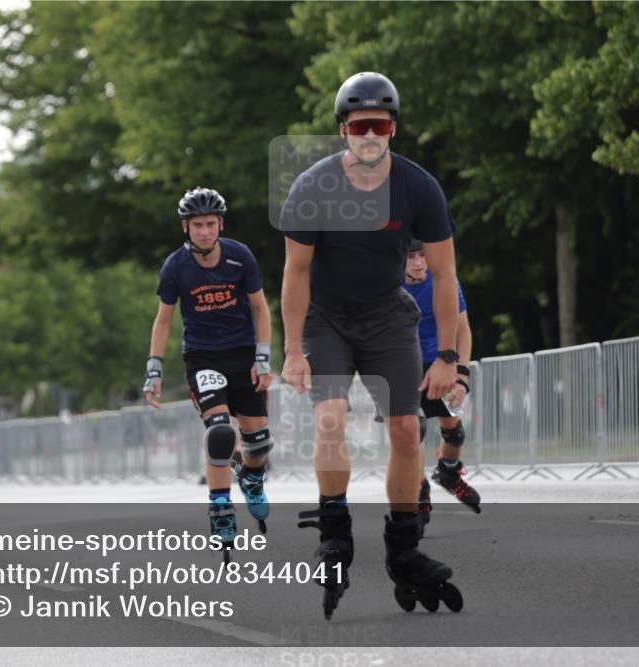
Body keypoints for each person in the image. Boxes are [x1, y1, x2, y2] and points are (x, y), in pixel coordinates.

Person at [281, 72, 463, 618]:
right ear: (343, 130)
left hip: (387, 316)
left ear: (393, 130)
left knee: (408, 429)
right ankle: (335, 531)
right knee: (332, 416)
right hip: (326, 319)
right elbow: (294, 274)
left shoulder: (418, 187)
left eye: (379, 125)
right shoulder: (312, 187)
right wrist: (292, 349)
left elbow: (445, 272)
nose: (370, 135)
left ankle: (403, 550)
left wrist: (448, 355)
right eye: (360, 125)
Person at [144, 187, 275, 558]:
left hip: (243, 356)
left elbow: (261, 309)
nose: (204, 231)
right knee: (219, 432)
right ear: (186, 228)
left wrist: (262, 359)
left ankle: (250, 476)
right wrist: (154, 369)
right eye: (197, 225)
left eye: (210, 224)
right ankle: (220, 506)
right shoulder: (175, 267)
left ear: (221, 224)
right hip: (202, 358)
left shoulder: (239, 257)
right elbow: (164, 319)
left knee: (259, 443)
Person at [404, 238, 481, 516]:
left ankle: (448, 473)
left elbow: (464, 330)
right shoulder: (388, 285)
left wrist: (461, 376)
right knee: (414, 431)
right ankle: (419, 487)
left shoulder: (443, 279)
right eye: (411, 257)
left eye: (422, 255)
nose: (418, 263)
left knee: (455, 432)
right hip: (403, 365)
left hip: (441, 363)